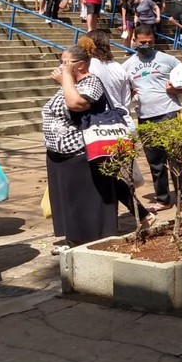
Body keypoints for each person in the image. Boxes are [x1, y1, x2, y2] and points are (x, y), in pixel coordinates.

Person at [42, 45, 118, 251]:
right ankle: (73, 238)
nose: (61, 66)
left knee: (85, 199)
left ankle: (91, 239)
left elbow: (76, 104)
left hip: (79, 151)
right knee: (66, 200)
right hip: (58, 153)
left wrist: (65, 78)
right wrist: (66, 79)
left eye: (65, 63)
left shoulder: (91, 82)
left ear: (81, 65)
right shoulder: (70, 82)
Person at [123, 25, 182, 215]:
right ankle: (163, 199)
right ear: (135, 41)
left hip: (169, 113)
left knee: (176, 159)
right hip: (145, 117)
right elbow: (124, 91)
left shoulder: (168, 60)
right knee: (155, 162)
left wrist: (177, 89)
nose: (146, 45)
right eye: (142, 42)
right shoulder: (128, 65)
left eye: (150, 42)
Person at [85, 31, 153, 226]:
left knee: (106, 176)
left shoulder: (89, 67)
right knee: (120, 174)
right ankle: (128, 215)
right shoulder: (118, 68)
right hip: (122, 124)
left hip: (99, 128)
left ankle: (116, 218)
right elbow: (125, 100)